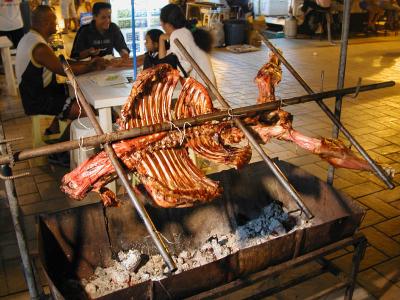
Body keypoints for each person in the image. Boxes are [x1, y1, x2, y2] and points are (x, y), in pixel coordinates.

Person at [15, 5, 106, 124]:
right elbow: (64, 70)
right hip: (37, 101)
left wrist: (88, 62)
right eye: (54, 19)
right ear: (46, 22)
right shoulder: (39, 47)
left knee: (80, 93)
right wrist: (92, 67)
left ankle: (56, 130)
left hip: (39, 93)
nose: (56, 23)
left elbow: (61, 62)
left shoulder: (31, 38)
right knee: (89, 112)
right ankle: (70, 139)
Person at [158, 4, 216, 86]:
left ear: (167, 24)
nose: (162, 26)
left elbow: (184, 67)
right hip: (209, 84)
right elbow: (163, 61)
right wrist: (161, 38)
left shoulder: (177, 35)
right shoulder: (187, 31)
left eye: (161, 23)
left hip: (202, 90)